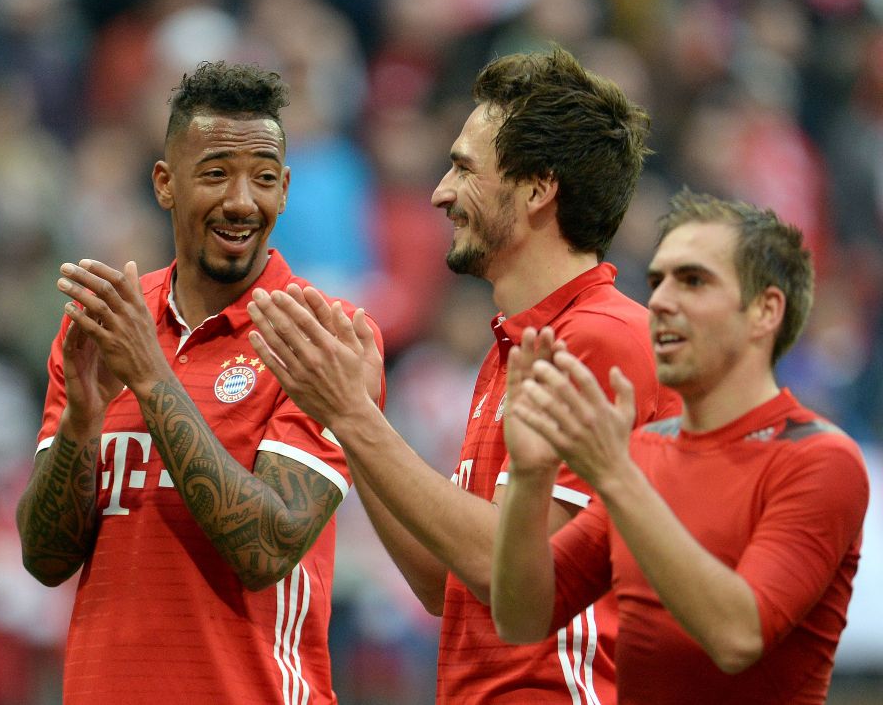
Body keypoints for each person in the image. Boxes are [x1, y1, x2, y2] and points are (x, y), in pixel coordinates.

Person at [248, 47, 680, 703]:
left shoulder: (602, 338)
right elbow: (440, 584)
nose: (440, 193)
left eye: (463, 169)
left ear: (537, 189)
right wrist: (352, 418)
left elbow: (512, 570)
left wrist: (359, 420)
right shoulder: (516, 348)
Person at [16, 61, 384, 705]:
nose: (242, 201)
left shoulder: (326, 337)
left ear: (287, 188)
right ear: (165, 183)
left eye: (264, 179)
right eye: (216, 174)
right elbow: (45, 560)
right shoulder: (110, 325)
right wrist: (80, 421)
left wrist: (151, 376)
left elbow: (268, 547)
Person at [491, 190, 869, 704]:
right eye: (658, 281)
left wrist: (615, 474)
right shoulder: (646, 454)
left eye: (693, 281)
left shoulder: (821, 461)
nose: (662, 301)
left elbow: (737, 636)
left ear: (765, 310)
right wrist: (531, 480)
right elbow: (520, 618)